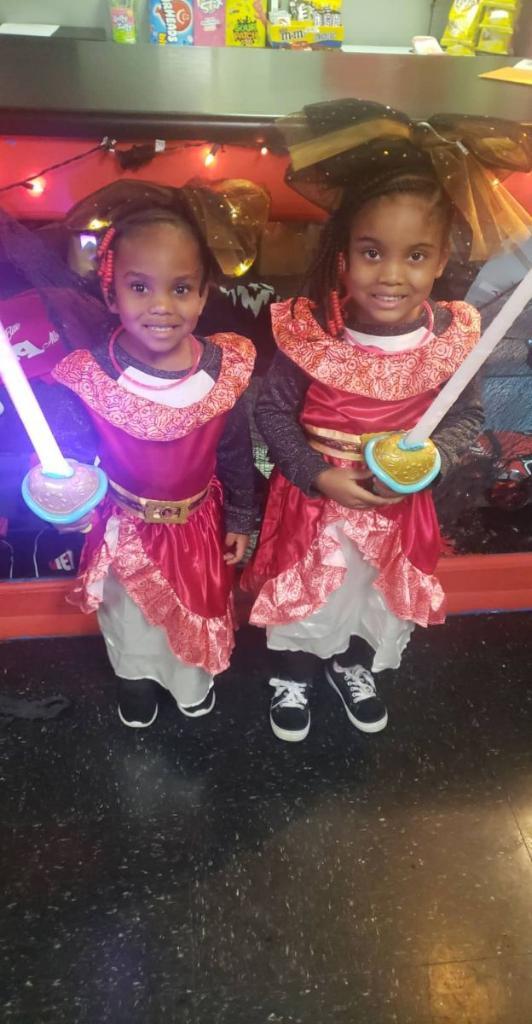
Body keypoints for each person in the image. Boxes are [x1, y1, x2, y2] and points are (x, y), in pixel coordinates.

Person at [243, 100, 532, 743]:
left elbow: (467, 416)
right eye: (372, 252)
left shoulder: (451, 341)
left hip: (397, 504)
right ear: (344, 256)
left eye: (415, 255)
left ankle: (351, 664)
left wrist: (428, 463)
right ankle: (293, 673)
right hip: (314, 502)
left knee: (367, 593)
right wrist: (316, 474)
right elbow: (273, 412)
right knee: (308, 590)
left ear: (441, 259)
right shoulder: (314, 332)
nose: (391, 275)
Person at [34, 180, 267, 729]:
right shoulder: (94, 375)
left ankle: (189, 682)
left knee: (198, 605)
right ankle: (135, 682)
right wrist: (68, 500)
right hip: (125, 527)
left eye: (181, 288)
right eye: (140, 287)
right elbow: (72, 457)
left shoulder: (221, 372)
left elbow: (234, 451)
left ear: (204, 294)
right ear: (112, 293)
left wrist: (241, 516)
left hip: (199, 527)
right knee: (131, 615)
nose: (162, 306)